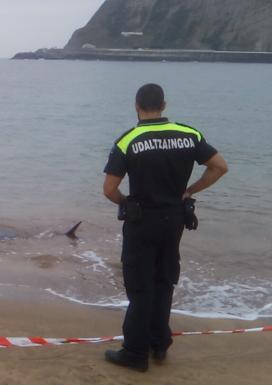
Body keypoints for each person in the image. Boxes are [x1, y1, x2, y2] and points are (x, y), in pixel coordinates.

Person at [102, 83, 228, 372]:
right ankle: (159, 344)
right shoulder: (189, 134)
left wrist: (126, 202)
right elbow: (220, 166)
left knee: (140, 286)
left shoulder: (129, 140)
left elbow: (109, 189)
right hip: (174, 221)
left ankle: (135, 352)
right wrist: (189, 190)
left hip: (142, 221)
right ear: (164, 105)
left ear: (137, 105)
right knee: (164, 280)